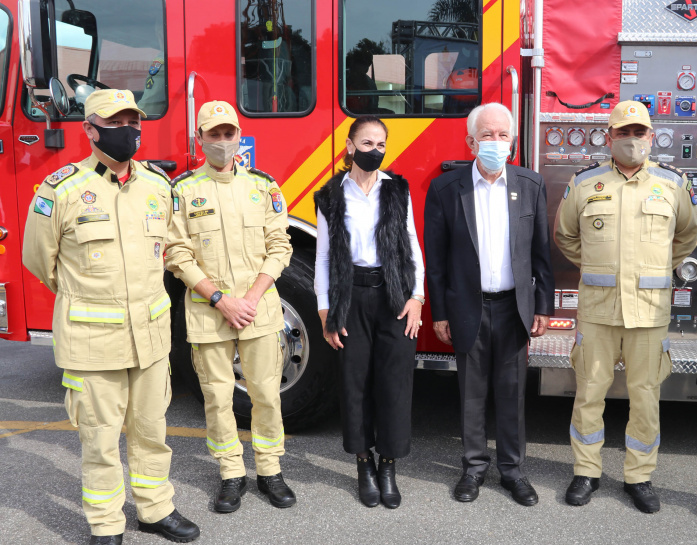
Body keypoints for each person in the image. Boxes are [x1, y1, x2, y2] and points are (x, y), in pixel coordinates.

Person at [22, 89, 199, 545]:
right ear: (90, 129)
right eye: (116, 122)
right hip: (92, 340)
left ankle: (156, 508)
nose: (128, 130)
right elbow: (41, 262)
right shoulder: (59, 190)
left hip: (151, 335)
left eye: (132, 121)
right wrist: (90, 296)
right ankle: (105, 524)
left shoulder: (158, 187)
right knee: (99, 438)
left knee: (152, 430)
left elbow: (170, 248)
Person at [554, 100, 697, 512]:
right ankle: (586, 471)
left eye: (640, 132)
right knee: (589, 395)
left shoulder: (673, 183)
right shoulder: (585, 183)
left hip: (650, 312)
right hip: (598, 311)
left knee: (646, 397)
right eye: (624, 132)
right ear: (609, 136)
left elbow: (688, 234)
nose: (632, 139)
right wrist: (600, 267)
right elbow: (565, 235)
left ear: (651, 136)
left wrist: (655, 267)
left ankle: (639, 476)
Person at [165, 101, 295, 513]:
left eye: (228, 133)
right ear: (199, 139)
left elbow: (280, 247)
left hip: (258, 312)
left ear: (239, 136)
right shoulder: (183, 190)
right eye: (213, 134)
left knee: (266, 395)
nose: (222, 142)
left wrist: (250, 299)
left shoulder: (264, 186)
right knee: (218, 398)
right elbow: (176, 254)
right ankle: (230, 474)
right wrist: (221, 300)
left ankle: (270, 471)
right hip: (210, 312)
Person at [424, 102, 555, 507]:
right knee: (472, 393)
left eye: (502, 135)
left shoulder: (530, 185)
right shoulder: (447, 189)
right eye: (487, 135)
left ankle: (513, 471)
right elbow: (437, 259)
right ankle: (474, 467)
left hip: (513, 306)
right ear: (470, 142)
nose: (495, 142)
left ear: (512, 141)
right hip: (469, 307)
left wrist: (543, 306)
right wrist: (440, 313)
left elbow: (541, 254)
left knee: (512, 392)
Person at [313, 116, 424, 509]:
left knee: (394, 383)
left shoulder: (397, 190)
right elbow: (324, 257)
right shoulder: (329, 196)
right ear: (349, 145)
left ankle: (388, 466)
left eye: (380, 144)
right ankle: (363, 463)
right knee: (354, 382)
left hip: (394, 297)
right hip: (351, 297)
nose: (374, 150)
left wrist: (417, 298)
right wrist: (327, 311)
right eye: (366, 142)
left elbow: (412, 244)